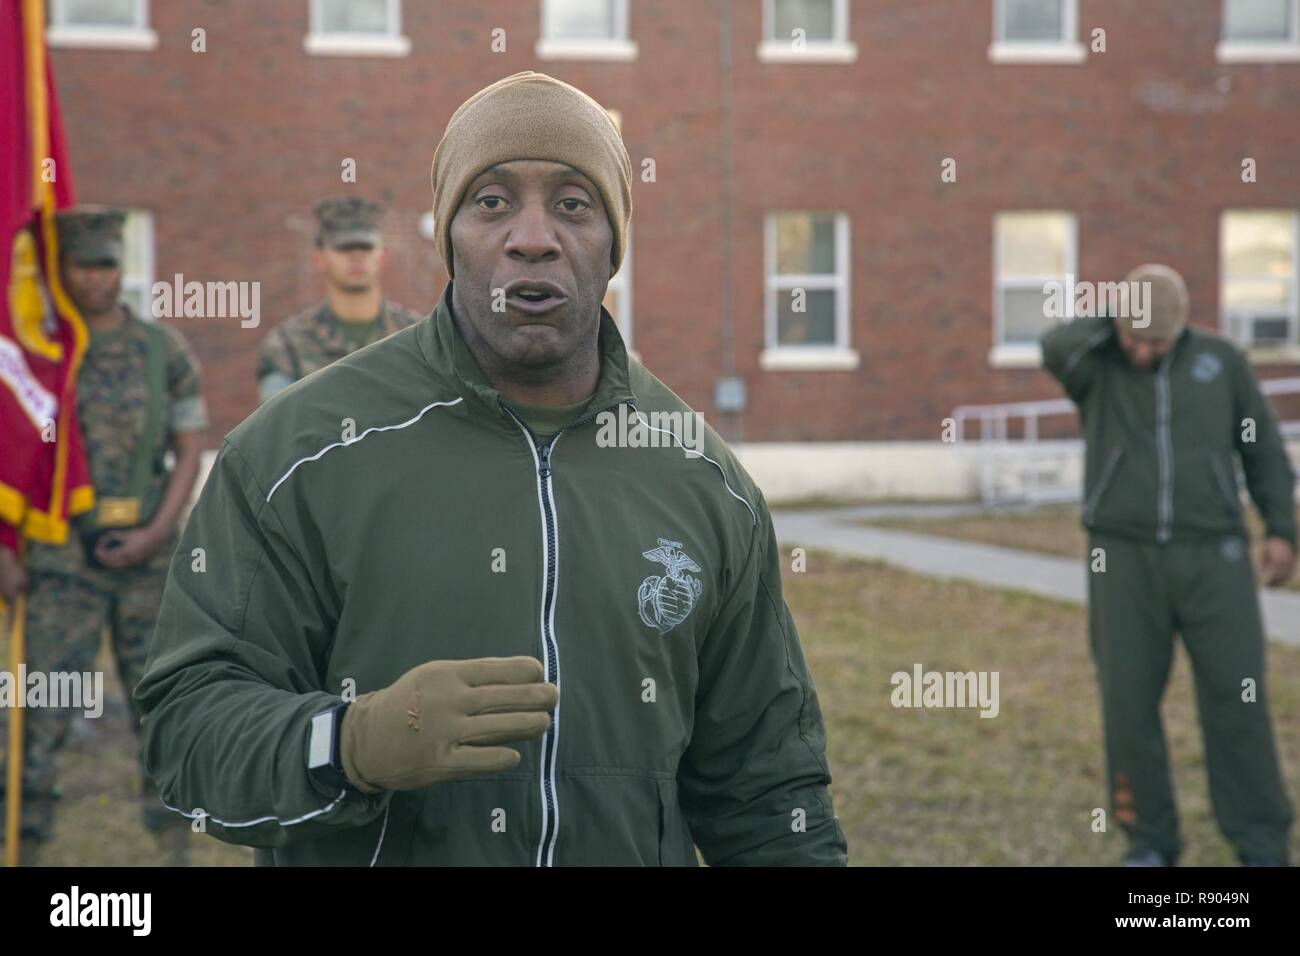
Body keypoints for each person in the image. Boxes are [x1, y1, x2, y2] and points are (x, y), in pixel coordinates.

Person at [137, 71, 848, 866]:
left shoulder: (704, 482)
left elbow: (768, 789)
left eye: (575, 204)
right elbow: (185, 735)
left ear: (615, 244)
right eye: (492, 202)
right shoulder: (295, 457)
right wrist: (350, 744)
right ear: (448, 236)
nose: (533, 236)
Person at [1041, 263, 1296, 867]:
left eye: (1152, 340)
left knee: (1238, 697)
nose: (1138, 349)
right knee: (1128, 702)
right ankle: (1149, 840)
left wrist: (1281, 527)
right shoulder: (1097, 365)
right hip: (1121, 558)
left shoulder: (1222, 364)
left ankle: (1261, 839)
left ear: (1180, 330)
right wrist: (1118, 311)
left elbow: (1261, 448)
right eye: (1131, 335)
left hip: (1215, 554)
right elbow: (1054, 344)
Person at [0, 207, 209, 863]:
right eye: (83, 264)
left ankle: (174, 849)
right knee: (39, 719)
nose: (96, 278)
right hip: (60, 566)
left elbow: (188, 446)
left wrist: (157, 532)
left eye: (107, 263)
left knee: (164, 715)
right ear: (60, 271)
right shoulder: (38, 357)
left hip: (149, 565)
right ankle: (25, 845)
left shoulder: (162, 349)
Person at [256, 196, 420, 403]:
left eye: (366, 248)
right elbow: (277, 424)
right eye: (344, 248)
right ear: (319, 259)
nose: (356, 257)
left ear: (382, 256)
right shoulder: (288, 345)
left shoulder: (416, 336)